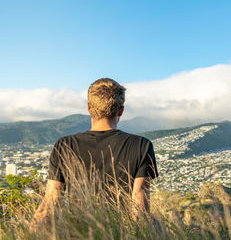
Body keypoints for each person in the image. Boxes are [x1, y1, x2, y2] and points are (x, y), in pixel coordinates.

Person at [31, 78, 158, 228]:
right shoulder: (141, 145)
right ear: (121, 110)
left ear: (89, 108)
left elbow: (51, 203)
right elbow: (139, 206)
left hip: (77, 231)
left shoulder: (64, 145)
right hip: (121, 232)